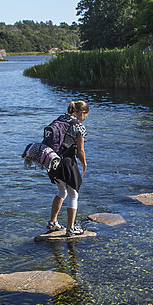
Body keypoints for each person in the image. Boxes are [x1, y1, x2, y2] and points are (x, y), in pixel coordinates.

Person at [47, 100, 89, 235]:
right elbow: (81, 151)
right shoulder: (79, 126)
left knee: (62, 192)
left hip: (52, 161)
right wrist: (84, 163)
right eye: (86, 116)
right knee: (73, 194)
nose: (85, 119)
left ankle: (53, 223)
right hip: (66, 162)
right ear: (82, 113)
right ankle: (71, 229)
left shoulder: (60, 119)